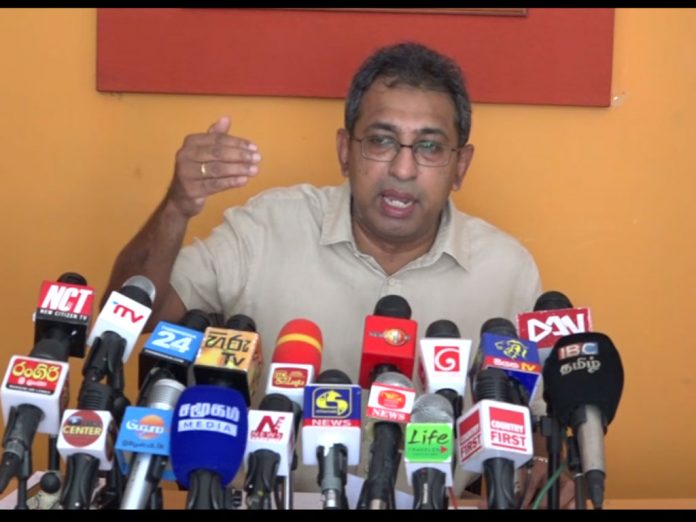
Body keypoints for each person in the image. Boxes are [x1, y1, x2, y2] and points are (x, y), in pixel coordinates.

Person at [105, 41, 565, 507]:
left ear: (460, 166)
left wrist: (551, 466)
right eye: (381, 141)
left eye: (429, 147)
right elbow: (130, 317)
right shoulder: (266, 227)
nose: (403, 169)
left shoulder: (505, 269)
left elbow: (537, 420)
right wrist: (176, 207)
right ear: (345, 151)